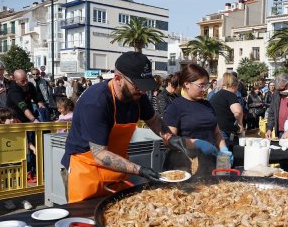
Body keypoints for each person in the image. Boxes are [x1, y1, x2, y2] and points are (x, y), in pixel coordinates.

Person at [61, 52, 189, 203]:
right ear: (118, 79)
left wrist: (169, 137)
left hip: (116, 170)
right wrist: (140, 170)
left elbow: (154, 120)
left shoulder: (137, 97)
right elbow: (100, 154)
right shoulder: (96, 102)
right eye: (137, 85)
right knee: (87, 220)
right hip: (85, 170)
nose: (142, 91)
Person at [163, 64, 231, 175]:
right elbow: (168, 141)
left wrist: (224, 150)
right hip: (183, 168)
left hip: (208, 166)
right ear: (187, 84)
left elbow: (217, 132)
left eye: (206, 85)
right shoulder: (175, 107)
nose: (204, 89)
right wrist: (197, 144)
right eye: (201, 85)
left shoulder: (207, 105)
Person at [209, 72, 244, 149]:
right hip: (222, 132)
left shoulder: (216, 95)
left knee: (217, 157)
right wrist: (240, 124)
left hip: (213, 130)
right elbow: (238, 111)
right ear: (234, 86)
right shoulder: (230, 95)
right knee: (224, 158)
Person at [265, 73, 288, 138]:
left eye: (281, 89)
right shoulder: (276, 94)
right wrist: (269, 129)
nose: (280, 91)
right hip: (280, 130)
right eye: (278, 89)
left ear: (287, 85)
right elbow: (272, 112)